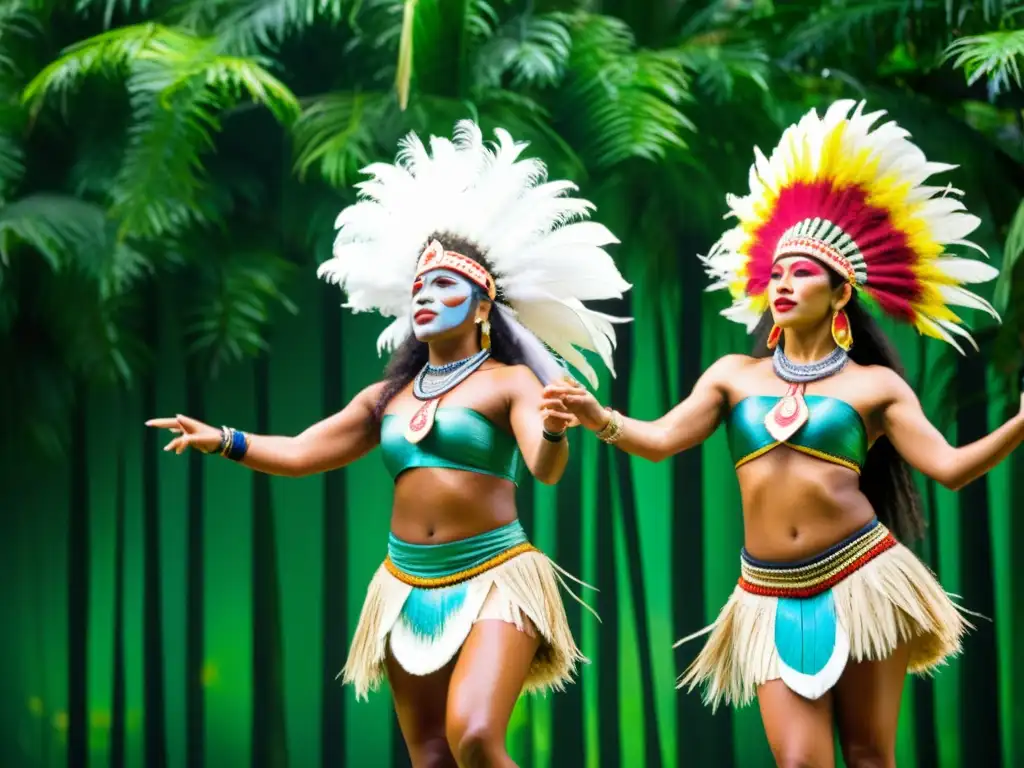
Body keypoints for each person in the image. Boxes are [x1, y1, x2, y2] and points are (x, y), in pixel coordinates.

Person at [543, 100, 1024, 767]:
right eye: (776, 273)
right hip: (766, 592)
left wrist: (1022, 422)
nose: (784, 283)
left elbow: (950, 467)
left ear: (840, 292)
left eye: (802, 272)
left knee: (869, 755)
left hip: (863, 577)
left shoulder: (874, 386)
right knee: (799, 762)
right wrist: (600, 419)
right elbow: (659, 441)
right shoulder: (733, 375)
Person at [147, 121, 631, 767]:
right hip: (406, 584)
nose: (427, 297)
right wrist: (224, 440)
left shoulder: (512, 383)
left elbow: (545, 470)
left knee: (477, 737)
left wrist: (551, 426)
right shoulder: (387, 397)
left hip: (496, 576)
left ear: (483, 305)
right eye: (420, 289)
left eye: (446, 287)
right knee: (429, 754)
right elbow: (299, 453)